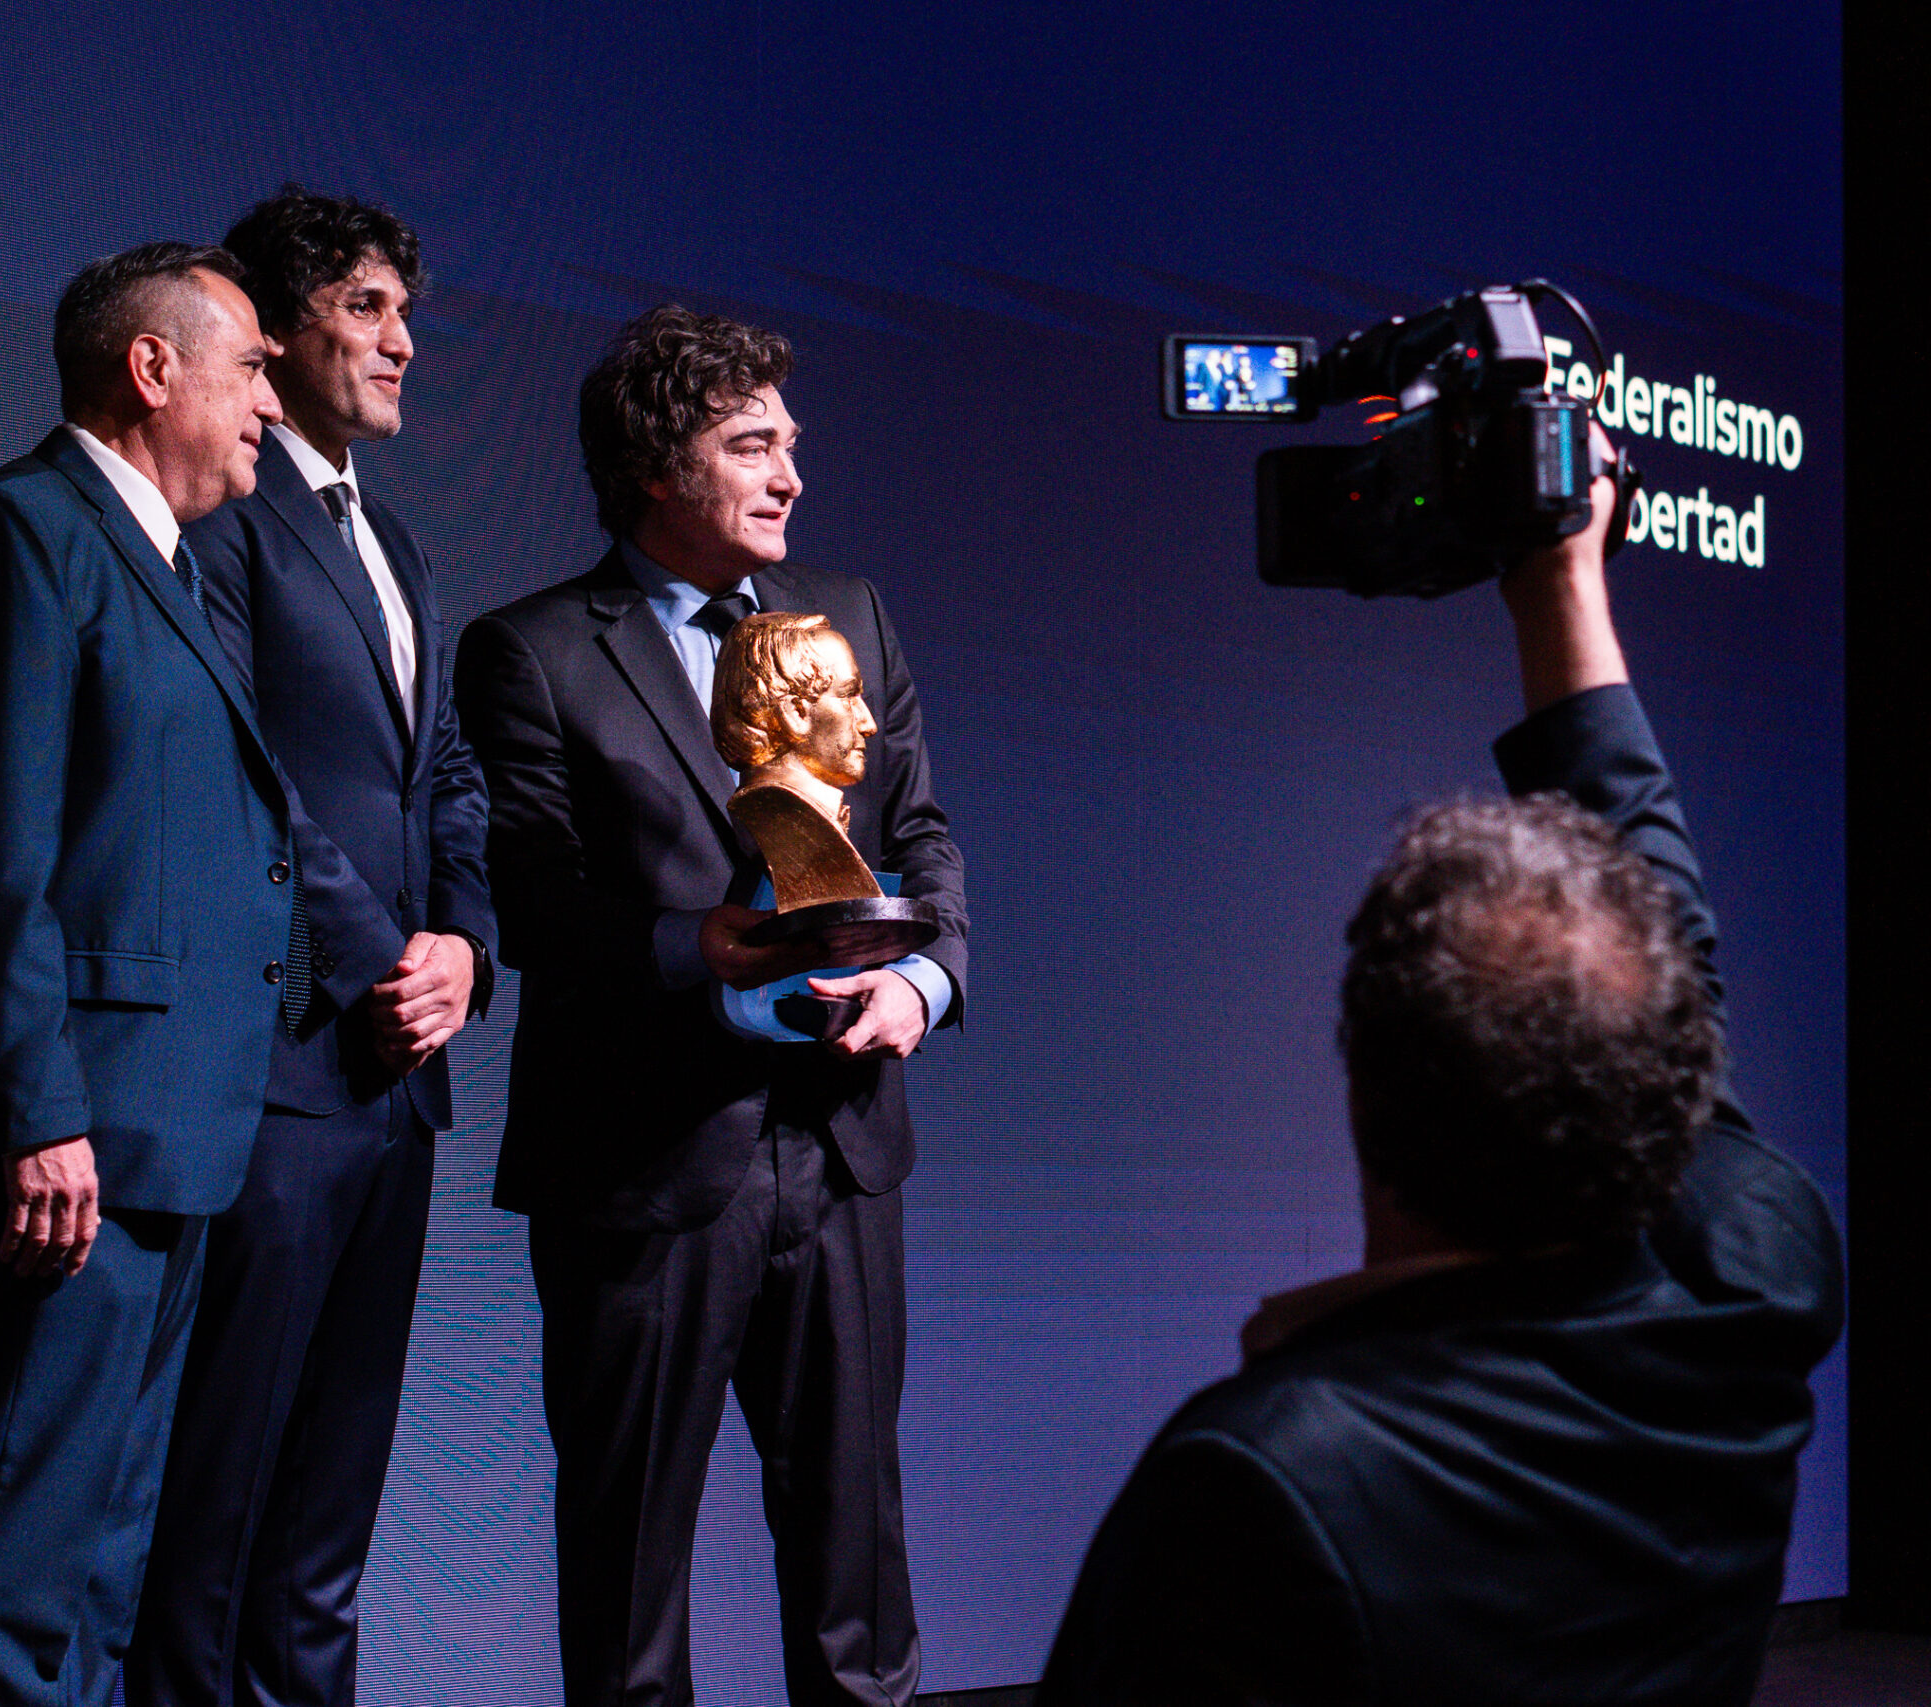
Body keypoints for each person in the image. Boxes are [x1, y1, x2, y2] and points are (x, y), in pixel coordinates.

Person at [1036, 434, 1844, 1706]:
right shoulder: (1754, 1294)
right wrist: (1562, 578)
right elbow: (1674, 946)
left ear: (1364, 1091)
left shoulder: (1266, 1481)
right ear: (1666, 1086)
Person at [457, 305, 969, 1707]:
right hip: (645, 1160)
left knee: (859, 1563)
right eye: (752, 445)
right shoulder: (533, 649)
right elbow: (535, 900)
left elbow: (924, 839)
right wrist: (699, 949)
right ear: (653, 467)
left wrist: (922, 983)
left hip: (845, 1144)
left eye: (790, 442)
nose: (791, 475)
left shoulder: (850, 613)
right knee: (629, 1567)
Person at [0, 242, 297, 1707]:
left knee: (101, 1561)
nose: (272, 403)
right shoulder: (23, 531)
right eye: (253, 367)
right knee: (23, 1556)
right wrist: (40, 1111)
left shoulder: (170, 564)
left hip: (165, 1133)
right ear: (152, 367)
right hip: (73, 1137)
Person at [129, 187, 494, 1707]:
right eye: (365, 309)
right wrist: (377, 955)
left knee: (331, 1516)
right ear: (276, 333)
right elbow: (243, 766)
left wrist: (462, 945)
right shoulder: (225, 518)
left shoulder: (393, 538)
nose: (402, 342)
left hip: (398, 1079)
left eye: (405, 311)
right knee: (220, 1508)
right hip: (285, 1070)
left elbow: (446, 774)